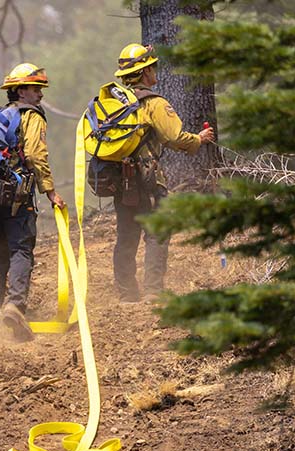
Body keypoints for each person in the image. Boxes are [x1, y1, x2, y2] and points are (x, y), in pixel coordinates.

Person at [110, 43, 215, 303]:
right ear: (145, 72)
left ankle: (126, 294)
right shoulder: (154, 103)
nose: (156, 70)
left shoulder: (111, 103)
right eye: (152, 66)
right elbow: (174, 137)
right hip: (147, 179)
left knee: (126, 234)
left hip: (119, 179)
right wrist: (199, 139)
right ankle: (153, 291)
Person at [0, 63, 66, 341]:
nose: (40, 94)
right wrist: (50, 191)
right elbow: (38, 156)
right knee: (20, 251)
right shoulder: (31, 116)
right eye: (35, 88)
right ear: (21, 90)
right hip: (16, 197)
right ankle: (15, 306)